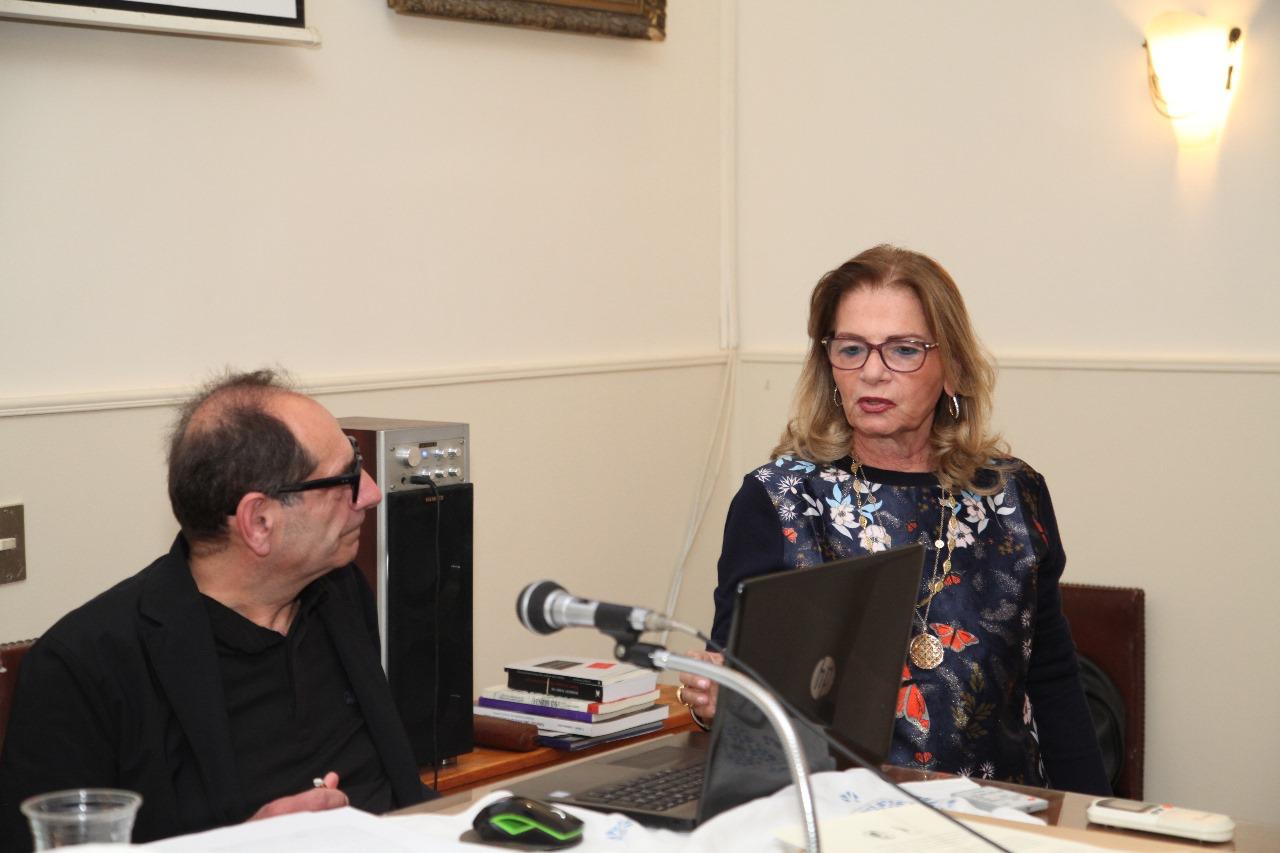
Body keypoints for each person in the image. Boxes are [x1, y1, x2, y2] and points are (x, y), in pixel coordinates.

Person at [677, 246, 1110, 795]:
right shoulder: (779, 500)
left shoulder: (1013, 494)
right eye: (851, 349)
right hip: (840, 815)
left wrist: (1096, 821)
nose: (873, 372)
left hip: (1002, 815)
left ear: (952, 368)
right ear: (829, 365)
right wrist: (716, 703)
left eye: (904, 350)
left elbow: (1052, 681)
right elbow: (741, 695)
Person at [0, 370, 431, 847]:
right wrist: (240, 844)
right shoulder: (85, 667)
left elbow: (401, 792)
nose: (370, 493)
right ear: (259, 521)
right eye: (347, 477)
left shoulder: (340, 593)